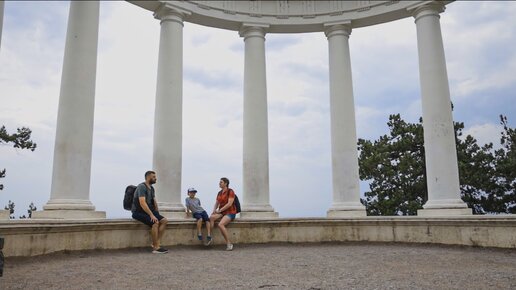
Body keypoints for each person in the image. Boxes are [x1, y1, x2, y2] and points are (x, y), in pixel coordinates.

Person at [131, 170, 168, 254]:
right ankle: (155, 248)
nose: (156, 178)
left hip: (149, 211)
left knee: (164, 220)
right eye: (154, 177)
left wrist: (156, 213)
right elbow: (142, 202)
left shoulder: (151, 188)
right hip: (138, 212)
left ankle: (156, 243)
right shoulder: (141, 187)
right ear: (148, 177)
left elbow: (154, 201)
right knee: (155, 223)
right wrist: (151, 215)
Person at [209, 177, 236, 251]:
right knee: (211, 218)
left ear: (226, 183)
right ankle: (210, 237)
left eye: (221, 182)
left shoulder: (230, 191)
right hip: (222, 212)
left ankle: (229, 243)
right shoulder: (219, 193)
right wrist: (214, 210)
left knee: (220, 224)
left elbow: (229, 204)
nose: (219, 183)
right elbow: (216, 203)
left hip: (230, 212)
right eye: (219, 182)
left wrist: (220, 210)